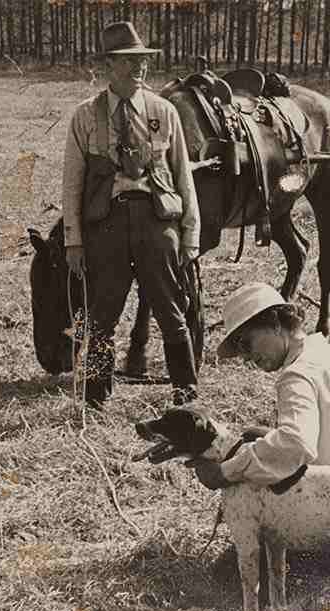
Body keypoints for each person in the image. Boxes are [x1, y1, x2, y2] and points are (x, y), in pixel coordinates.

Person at [61, 21, 200, 408]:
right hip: (106, 225)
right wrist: (73, 239)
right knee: (103, 316)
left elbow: (183, 176)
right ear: (107, 64)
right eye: (127, 61)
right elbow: (72, 182)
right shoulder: (85, 116)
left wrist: (190, 234)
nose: (138, 67)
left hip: (158, 223)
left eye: (142, 59)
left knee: (172, 310)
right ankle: (94, 399)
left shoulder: (164, 111)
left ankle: (185, 397)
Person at [190, 282, 330, 490]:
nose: (245, 358)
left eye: (245, 343)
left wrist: (227, 472)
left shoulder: (297, 375)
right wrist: (272, 437)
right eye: (239, 351)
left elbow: (296, 443)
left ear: (274, 323)